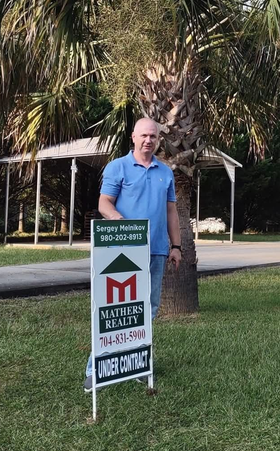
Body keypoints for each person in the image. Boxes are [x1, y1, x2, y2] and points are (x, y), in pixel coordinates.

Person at [84, 118, 181, 392]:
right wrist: (121, 222)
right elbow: (104, 203)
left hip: (157, 252)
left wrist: (177, 246)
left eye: (153, 136)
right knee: (113, 311)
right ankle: (95, 369)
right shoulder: (118, 167)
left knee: (146, 310)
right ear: (133, 137)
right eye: (144, 136)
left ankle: (137, 364)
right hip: (122, 254)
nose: (148, 140)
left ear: (158, 140)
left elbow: (171, 211)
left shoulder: (166, 173)